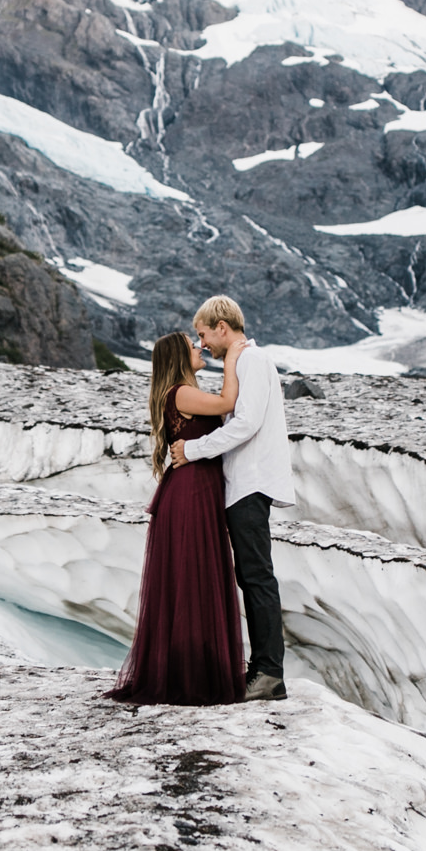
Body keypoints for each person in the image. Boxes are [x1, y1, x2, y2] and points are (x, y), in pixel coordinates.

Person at [106, 332, 246, 705]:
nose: (200, 347)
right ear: (179, 358)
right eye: (192, 345)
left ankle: (189, 671)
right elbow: (228, 402)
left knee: (192, 580)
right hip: (191, 493)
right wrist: (232, 357)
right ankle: (191, 677)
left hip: (195, 490)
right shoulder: (181, 392)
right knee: (192, 579)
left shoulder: (181, 391)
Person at [169, 295, 292, 702]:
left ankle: (269, 673)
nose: (202, 343)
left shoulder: (250, 361)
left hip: (250, 482)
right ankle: (261, 669)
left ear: (222, 327)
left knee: (256, 576)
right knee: (252, 576)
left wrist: (194, 449)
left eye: (204, 334)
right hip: (244, 482)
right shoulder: (242, 362)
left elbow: (246, 424)